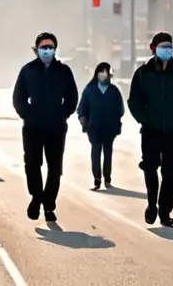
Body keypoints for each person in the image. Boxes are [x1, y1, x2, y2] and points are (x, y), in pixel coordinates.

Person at [127, 32, 173, 227]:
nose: (167, 49)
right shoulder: (143, 73)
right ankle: (151, 204)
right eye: (163, 46)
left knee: (170, 172)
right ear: (154, 48)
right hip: (151, 131)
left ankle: (165, 211)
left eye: (169, 46)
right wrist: (146, 120)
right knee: (150, 167)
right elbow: (134, 101)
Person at [12, 32, 78, 222]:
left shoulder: (63, 71)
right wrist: (27, 114)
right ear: (37, 49)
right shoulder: (28, 70)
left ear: (55, 49)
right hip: (33, 126)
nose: (47, 50)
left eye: (50, 47)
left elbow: (72, 97)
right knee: (32, 163)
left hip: (56, 126)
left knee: (55, 167)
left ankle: (49, 204)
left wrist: (63, 113)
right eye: (43, 47)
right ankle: (36, 197)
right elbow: (18, 97)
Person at [77, 61, 125, 190]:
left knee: (108, 152)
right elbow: (82, 108)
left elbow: (120, 109)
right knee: (96, 152)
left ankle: (107, 178)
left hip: (110, 128)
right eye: (101, 71)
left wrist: (116, 121)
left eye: (106, 72)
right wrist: (84, 121)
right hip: (94, 127)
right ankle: (97, 179)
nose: (104, 74)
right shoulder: (89, 90)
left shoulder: (114, 91)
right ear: (97, 73)